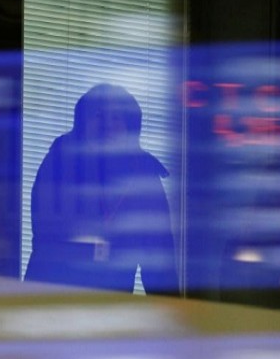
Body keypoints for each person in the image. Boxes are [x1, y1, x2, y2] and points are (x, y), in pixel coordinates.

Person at [24, 84, 179, 295]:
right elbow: (46, 236)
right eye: (98, 115)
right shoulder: (59, 162)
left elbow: (160, 261)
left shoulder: (144, 173)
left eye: (116, 118)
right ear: (82, 123)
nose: (107, 124)